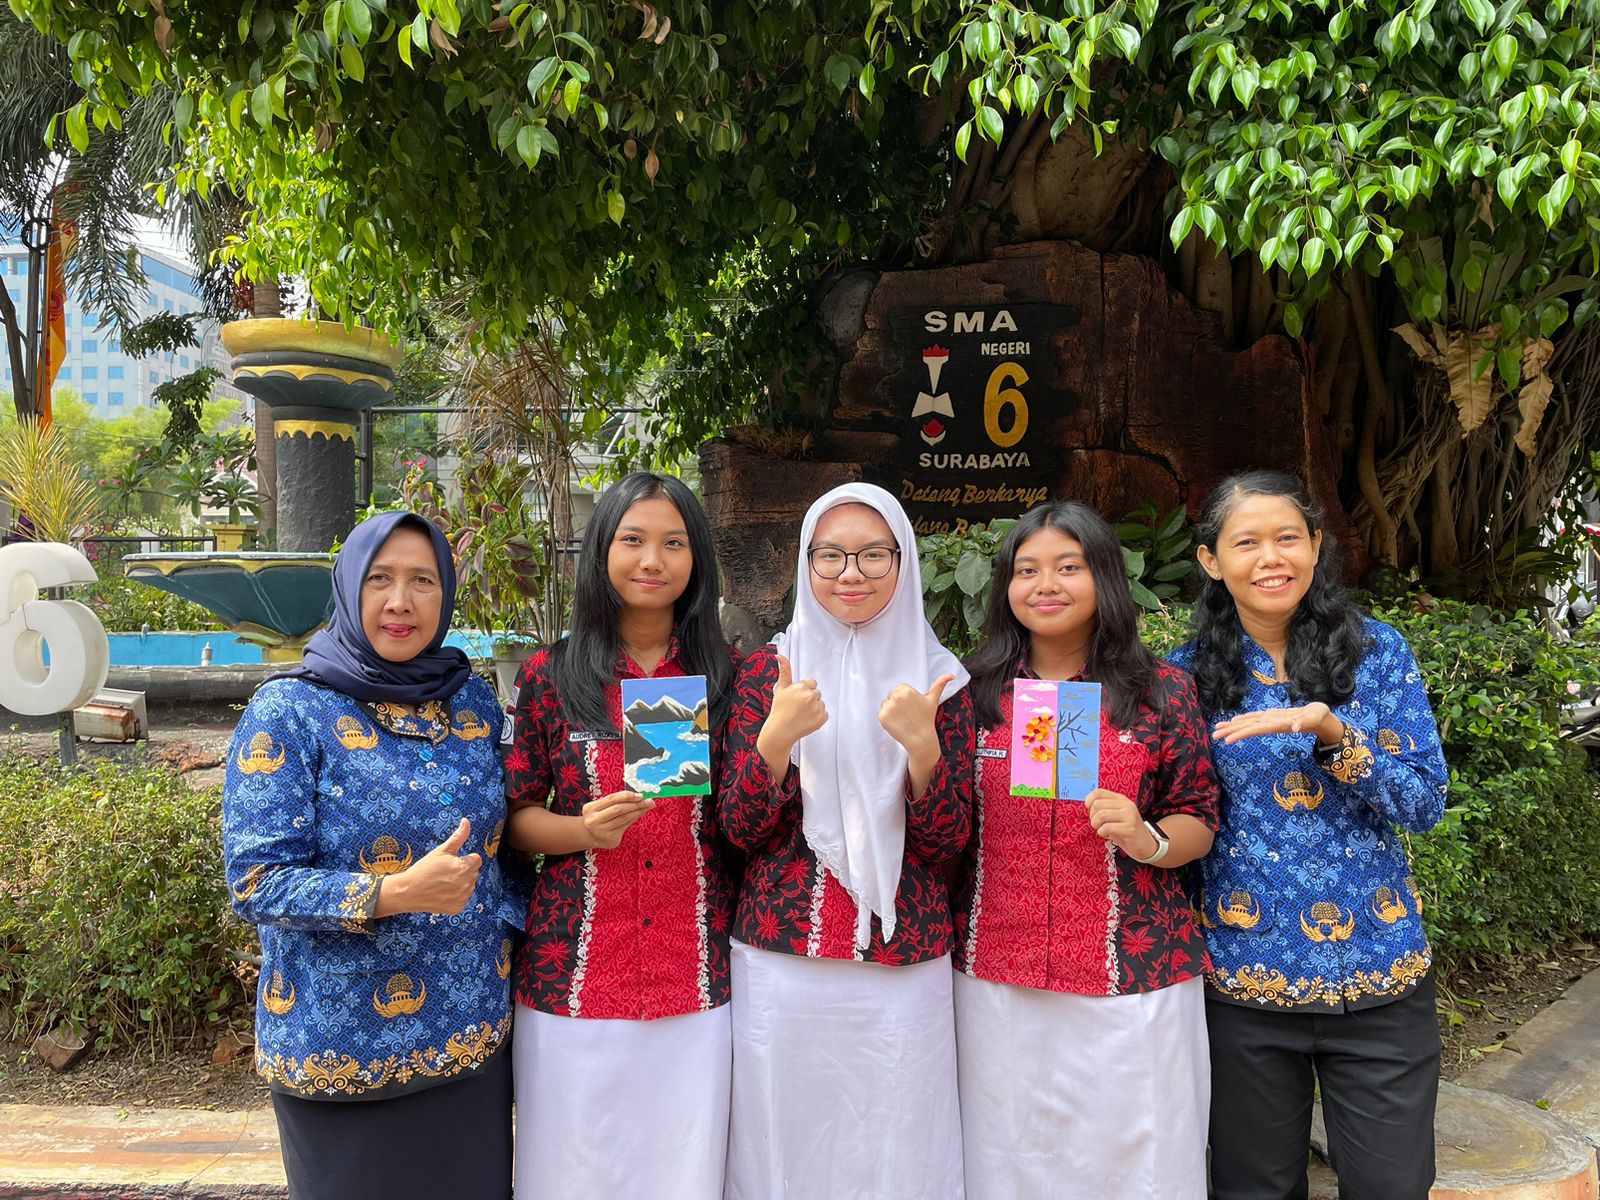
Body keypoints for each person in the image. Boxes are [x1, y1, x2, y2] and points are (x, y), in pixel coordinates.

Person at [1168, 470, 1448, 1200]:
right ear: (1211, 560)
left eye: (1289, 537)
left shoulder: (1377, 654)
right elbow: (1173, 814)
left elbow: (1423, 802)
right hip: (1243, 988)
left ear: (1317, 546)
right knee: (1250, 1191)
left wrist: (1334, 733)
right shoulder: (1183, 679)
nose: (1271, 557)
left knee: (1393, 1187)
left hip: (1380, 976)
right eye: (1247, 542)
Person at [223, 511, 515, 1200]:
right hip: (341, 1051)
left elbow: (514, 830)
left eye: (423, 580)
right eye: (381, 579)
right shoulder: (289, 711)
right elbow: (258, 881)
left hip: (470, 1044)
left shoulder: (471, 702)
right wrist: (392, 893)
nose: (401, 602)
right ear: (351, 586)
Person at [953, 501, 1220, 1199]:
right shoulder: (969, 693)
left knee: (1135, 1159)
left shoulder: (1162, 692)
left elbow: (1197, 816)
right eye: (1027, 569)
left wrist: (1146, 837)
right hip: (997, 979)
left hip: (1132, 980)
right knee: (1010, 1157)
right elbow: (937, 826)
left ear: (1103, 576)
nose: (1046, 583)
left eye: (1068, 567)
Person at [722, 481, 974, 1200]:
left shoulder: (942, 681)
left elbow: (948, 842)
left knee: (900, 1139)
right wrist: (776, 739)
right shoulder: (765, 673)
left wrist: (923, 752)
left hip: (904, 958)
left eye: (872, 555)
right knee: (786, 1145)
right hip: (782, 956)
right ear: (806, 564)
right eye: (830, 555)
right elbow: (739, 832)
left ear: (905, 562)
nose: (850, 573)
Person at [503, 471, 738, 1200]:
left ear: (696, 559)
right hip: (575, 975)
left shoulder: (725, 677)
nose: (652, 560)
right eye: (633, 540)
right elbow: (513, 819)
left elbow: (748, 818)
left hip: (691, 976)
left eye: (673, 543)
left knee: (683, 1169)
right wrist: (580, 830)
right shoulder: (551, 673)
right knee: (575, 1167)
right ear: (602, 549)